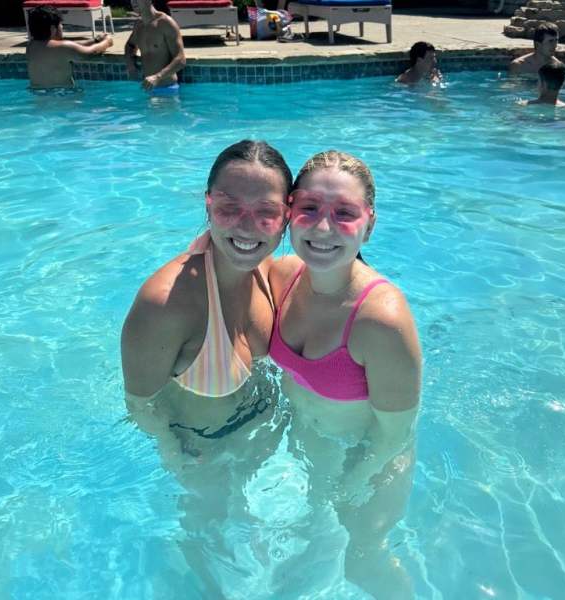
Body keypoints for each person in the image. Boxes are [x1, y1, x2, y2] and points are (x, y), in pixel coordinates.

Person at [121, 140, 292, 595]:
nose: (247, 227)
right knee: (213, 577)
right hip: (203, 458)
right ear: (208, 203)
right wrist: (186, 468)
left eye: (265, 213)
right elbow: (140, 404)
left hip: (258, 440)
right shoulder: (167, 303)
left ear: (286, 218)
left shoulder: (269, 272)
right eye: (229, 207)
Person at [268, 151, 422, 599]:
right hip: (313, 439)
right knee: (313, 535)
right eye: (309, 208)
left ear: (369, 223)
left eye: (345, 214)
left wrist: (354, 481)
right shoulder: (285, 276)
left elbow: (395, 432)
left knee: (363, 559)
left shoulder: (381, 319)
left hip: (371, 457)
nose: (322, 228)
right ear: (288, 212)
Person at [26, 6, 113, 90]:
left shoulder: (31, 46)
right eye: (61, 24)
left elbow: (70, 46)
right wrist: (106, 42)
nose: (62, 27)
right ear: (53, 28)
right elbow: (90, 53)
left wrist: (95, 40)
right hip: (63, 96)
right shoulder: (64, 48)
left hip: (39, 96)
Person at [124, 0, 186, 96]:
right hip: (147, 89)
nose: (134, 2)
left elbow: (181, 60)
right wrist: (130, 64)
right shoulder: (139, 25)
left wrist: (157, 77)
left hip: (167, 90)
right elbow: (130, 45)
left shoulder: (165, 23)